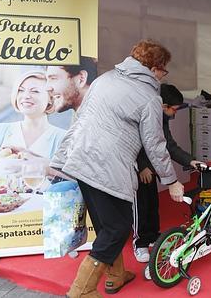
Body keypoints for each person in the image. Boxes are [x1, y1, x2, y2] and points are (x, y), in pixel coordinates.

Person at [50, 40, 185, 297]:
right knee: (118, 227)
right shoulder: (149, 98)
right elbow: (155, 144)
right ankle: (81, 290)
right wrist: (172, 180)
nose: (163, 74)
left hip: (80, 158)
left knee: (105, 224)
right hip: (106, 166)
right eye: (163, 69)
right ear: (155, 68)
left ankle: (115, 275)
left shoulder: (105, 79)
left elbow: (81, 118)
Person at [133, 83, 203, 263]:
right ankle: (140, 242)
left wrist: (190, 160)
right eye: (175, 109)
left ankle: (153, 236)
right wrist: (142, 166)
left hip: (151, 167)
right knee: (140, 205)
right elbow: (135, 141)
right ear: (164, 106)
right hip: (135, 166)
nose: (176, 114)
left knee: (152, 203)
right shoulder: (144, 113)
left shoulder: (161, 119)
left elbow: (168, 145)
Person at [0, 72, 66, 180]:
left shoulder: (63, 138)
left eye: (35, 91)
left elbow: (73, 181)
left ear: (50, 99)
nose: (26, 96)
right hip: (0, 197)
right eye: (20, 90)